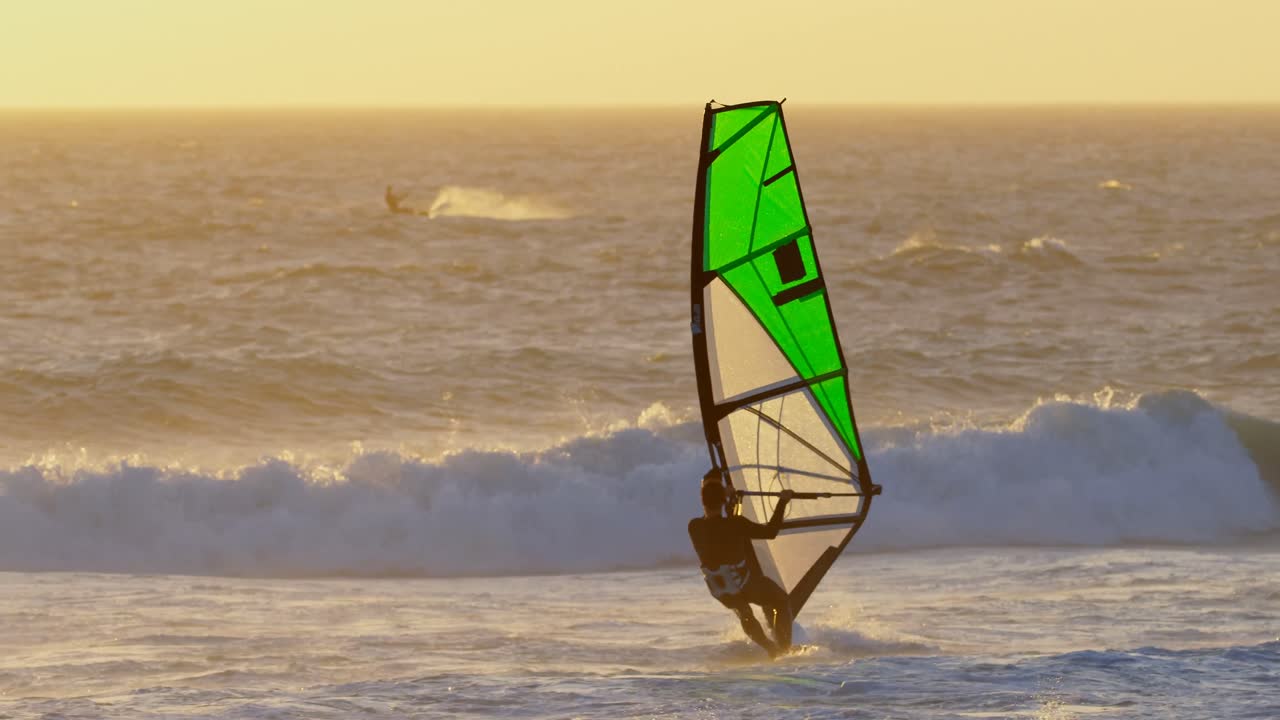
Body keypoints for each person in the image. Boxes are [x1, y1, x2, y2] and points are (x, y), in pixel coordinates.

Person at [688, 470, 794, 658]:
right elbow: (771, 532)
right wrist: (783, 501)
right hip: (744, 583)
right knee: (780, 600)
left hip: (719, 588)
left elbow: (717, 524)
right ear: (722, 501)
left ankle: (770, 648)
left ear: (702, 501)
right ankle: (784, 650)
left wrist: (724, 495)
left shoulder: (694, 526)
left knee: (744, 612)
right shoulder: (736, 524)